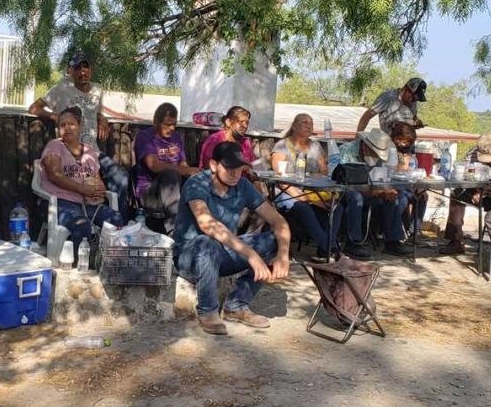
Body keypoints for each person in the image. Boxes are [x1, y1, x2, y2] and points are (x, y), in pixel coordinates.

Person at [174, 141, 292, 335]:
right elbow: (207, 224)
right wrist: (250, 254)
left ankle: (236, 305)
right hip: (189, 257)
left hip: (222, 253)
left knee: (273, 240)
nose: (235, 173)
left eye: (239, 168)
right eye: (229, 168)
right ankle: (208, 311)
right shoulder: (197, 183)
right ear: (213, 165)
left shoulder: (243, 186)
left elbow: (279, 221)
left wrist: (283, 255)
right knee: (207, 241)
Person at [28, 51, 130, 219]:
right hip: (69, 151)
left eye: (86, 67)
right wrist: (55, 117)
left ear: (91, 70)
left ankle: (119, 224)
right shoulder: (61, 88)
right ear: (70, 71)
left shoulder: (97, 89)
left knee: (121, 178)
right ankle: (96, 220)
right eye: (78, 68)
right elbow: (33, 108)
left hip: (92, 152)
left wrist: (102, 118)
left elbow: (95, 111)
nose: (83, 72)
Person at [270, 114, 369, 259]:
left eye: (311, 123)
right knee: (305, 209)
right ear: (294, 126)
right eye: (304, 122)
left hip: (313, 189)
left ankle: (324, 250)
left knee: (337, 206)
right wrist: (307, 197)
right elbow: (279, 176)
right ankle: (331, 248)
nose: (309, 126)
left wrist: (313, 191)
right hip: (287, 190)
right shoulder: (282, 145)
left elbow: (324, 172)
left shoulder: (315, 146)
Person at [40, 107, 124, 261]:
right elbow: (54, 175)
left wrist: (98, 189)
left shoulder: (90, 152)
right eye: (62, 125)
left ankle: (109, 262)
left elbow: (97, 180)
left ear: (79, 126)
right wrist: (82, 188)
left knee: (116, 219)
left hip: (86, 203)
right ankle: (77, 268)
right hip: (59, 202)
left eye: (71, 124)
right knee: (82, 225)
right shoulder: (55, 146)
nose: (67, 128)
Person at [338, 128, 414, 257]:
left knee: (393, 198)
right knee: (356, 198)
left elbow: (379, 177)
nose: (377, 157)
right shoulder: (347, 151)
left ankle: (392, 241)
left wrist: (384, 191)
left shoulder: (378, 155)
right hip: (347, 190)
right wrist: (374, 191)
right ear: (366, 146)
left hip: (370, 190)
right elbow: (344, 179)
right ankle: (353, 242)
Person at [439, 133, 491, 255]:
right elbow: (464, 176)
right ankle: (456, 239)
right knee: (456, 196)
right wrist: (476, 190)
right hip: (478, 191)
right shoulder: (472, 154)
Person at [132, 103, 200, 232]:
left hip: (174, 189)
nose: (172, 128)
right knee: (170, 174)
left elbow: (183, 165)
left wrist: (194, 174)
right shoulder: (145, 137)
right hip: (149, 193)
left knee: (198, 180)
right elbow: (154, 166)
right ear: (156, 122)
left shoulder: (175, 137)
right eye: (167, 124)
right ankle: (174, 230)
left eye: (174, 124)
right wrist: (184, 170)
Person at [356, 78, 427, 133]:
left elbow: (413, 118)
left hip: (408, 144)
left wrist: (416, 122)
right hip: (389, 144)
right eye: (413, 98)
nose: (413, 101)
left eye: (416, 99)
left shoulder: (413, 102)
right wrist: (358, 137)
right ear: (406, 89)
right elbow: (366, 117)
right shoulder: (388, 97)